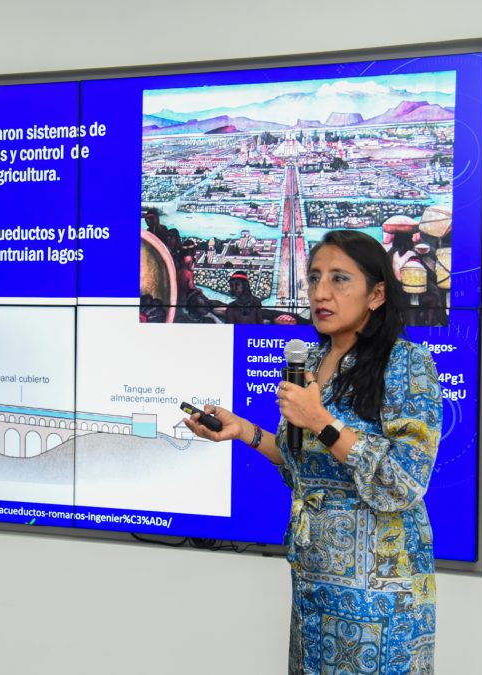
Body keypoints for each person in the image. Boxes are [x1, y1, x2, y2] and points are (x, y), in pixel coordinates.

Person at [184, 230, 442, 674]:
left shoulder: (407, 364)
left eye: (340, 279)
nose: (321, 292)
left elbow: (404, 481)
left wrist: (323, 421)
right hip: (312, 585)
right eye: (314, 278)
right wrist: (244, 431)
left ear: (377, 293)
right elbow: (301, 465)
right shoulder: (311, 363)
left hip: (381, 601)